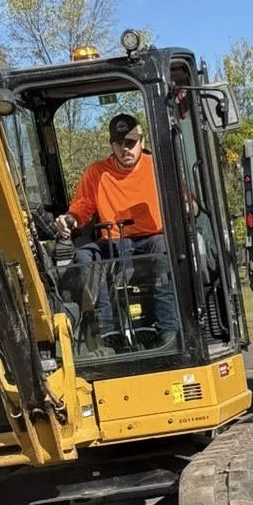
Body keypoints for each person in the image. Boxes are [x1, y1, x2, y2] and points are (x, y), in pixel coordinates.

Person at [55, 112, 178, 344]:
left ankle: (168, 329)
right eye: (119, 144)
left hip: (151, 237)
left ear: (142, 142)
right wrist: (69, 220)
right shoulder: (96, 173)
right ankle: (108, 331)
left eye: (131, 143)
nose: (126, 149)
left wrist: (187, 205)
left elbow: (181, 198)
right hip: (113, 242)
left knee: (164, 250)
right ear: (112, 145)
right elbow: (81, 208)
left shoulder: (158, 167)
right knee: (84, 255)